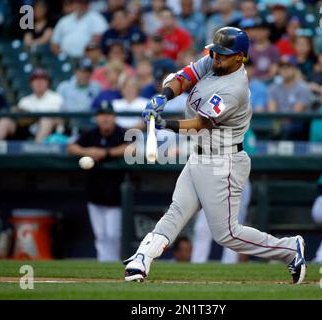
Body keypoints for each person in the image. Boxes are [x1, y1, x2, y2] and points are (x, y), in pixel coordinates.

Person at [124, 27, 306, 284]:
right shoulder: (214, 62)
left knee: (227, 234)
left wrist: (165, 125)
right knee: (176, 211)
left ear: (240, 57)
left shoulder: (235, 88)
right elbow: (185, 76)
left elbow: (201, 123)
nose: (216, 57)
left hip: (224, 161)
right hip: (199, 155)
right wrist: (163, 97)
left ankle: (289, 249)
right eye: (216, 51)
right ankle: (142, 258)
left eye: (223, 53)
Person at [67, 101, 131, 262]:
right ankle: (104, 264)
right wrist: (87, 151)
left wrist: (106, 152)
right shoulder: (91, 134)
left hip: (115, 194)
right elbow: (71, 147)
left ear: (114, 117)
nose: (105, 119)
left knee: (113, 234)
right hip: (94, 192)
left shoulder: (121, 133)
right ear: (97, 118)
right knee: (100, 235)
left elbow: (132, 147)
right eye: (102, 115)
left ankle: (115, 263)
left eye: (108, 115)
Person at [191, 128, 257, 264]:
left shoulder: (244, 130)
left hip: (237, 180)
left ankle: (230, 265)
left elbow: (246, 157)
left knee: (233, 229)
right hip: (213, 180)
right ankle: (197, 265)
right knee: (203, 227)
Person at [0, 69, 63, 142]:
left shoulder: (56, 98)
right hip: (26, 129)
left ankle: (37, 151)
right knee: (5, 120)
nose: (39, 82)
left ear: (47, 83)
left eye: (42, 80)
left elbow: (59, 121)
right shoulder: (25, 101)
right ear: (31, 83)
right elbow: (20, 121)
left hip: (49, 131)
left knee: (46, 120)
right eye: (36, 80)